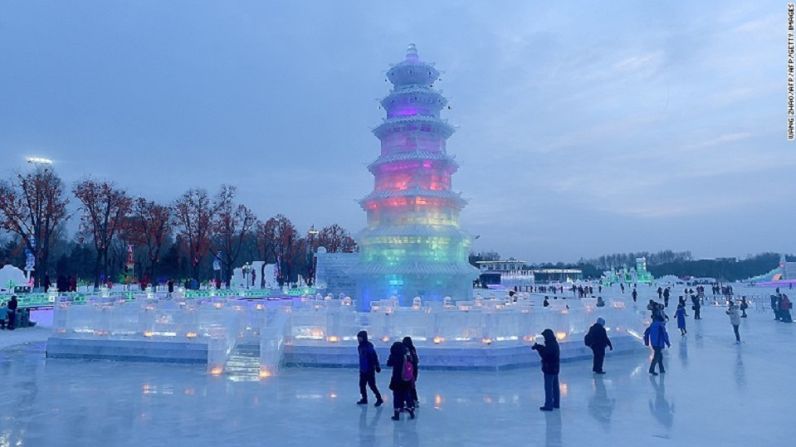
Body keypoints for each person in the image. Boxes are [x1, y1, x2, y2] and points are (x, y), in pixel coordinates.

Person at [532, 329, 560, 411]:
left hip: (549, 369)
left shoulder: (550, 344)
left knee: (548, 387)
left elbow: (545, 355)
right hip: (555, 368)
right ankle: (556, 403)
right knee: (555, 387)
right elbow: (546, 351)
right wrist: (539, 347)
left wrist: (538, 348)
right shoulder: (553, 343)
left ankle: (549, 405)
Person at [386, 341, 415, 420]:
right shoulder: (406, 355)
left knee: (396, 396)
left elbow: (388, 364)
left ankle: (397, 413)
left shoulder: (394, 356)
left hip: (397, 379)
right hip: (406, 379)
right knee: (407, 394)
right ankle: (411, 409)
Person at [356, 330, 383, 407]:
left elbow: (374, 356)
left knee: (372, 385)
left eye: (360, 338)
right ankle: (364, 399)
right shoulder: (360, 347)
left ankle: (379, 398)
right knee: (362, 385)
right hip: (363, 369)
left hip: (369, 369)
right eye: (358, 338)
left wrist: (377, 366)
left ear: (364, 338)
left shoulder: (368, 347)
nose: (358, 339)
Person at [402, 336, 419, 408]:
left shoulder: (407, 350)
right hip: (414, 370)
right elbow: (416, 360)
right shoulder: (413, 349)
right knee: (412, 386)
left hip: (409, 370)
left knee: (408, 386)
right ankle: (414, 400)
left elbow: (408, 360)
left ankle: (411, 401)